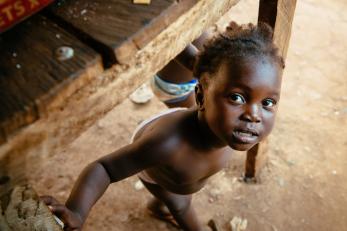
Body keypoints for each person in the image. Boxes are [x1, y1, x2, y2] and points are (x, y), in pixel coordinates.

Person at [41, 22, 285, 231]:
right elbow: (104, 168)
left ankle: (158, 205)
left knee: (178, 185)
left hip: (182, 172)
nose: (254, 115)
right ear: (200, 97)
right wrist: (76, 212)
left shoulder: (230, 130)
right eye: (237, 98)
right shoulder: (167, 145)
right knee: (181, 204)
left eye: (268, 102)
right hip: (161, 172)